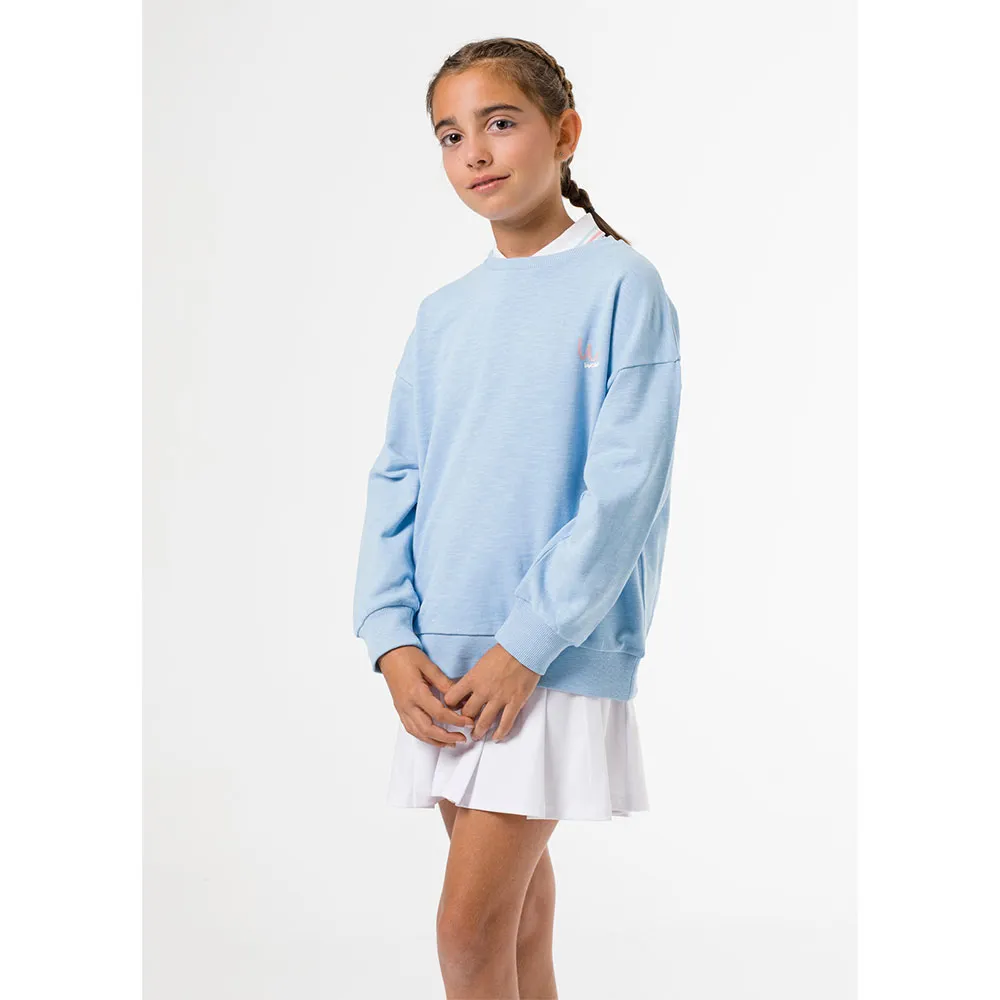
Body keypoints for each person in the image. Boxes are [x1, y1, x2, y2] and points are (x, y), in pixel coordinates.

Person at [352, 37, 682, 999]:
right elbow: (399, 472)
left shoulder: (622, 285)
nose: (476, 153)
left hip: (546, 656)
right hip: (443, 661)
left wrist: (526, 645)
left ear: (564, 133)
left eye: (500, 123)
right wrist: (389, 636)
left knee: (468, 931)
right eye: (451, 135)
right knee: (518, 917)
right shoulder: (443, 313)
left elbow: (625, 491)